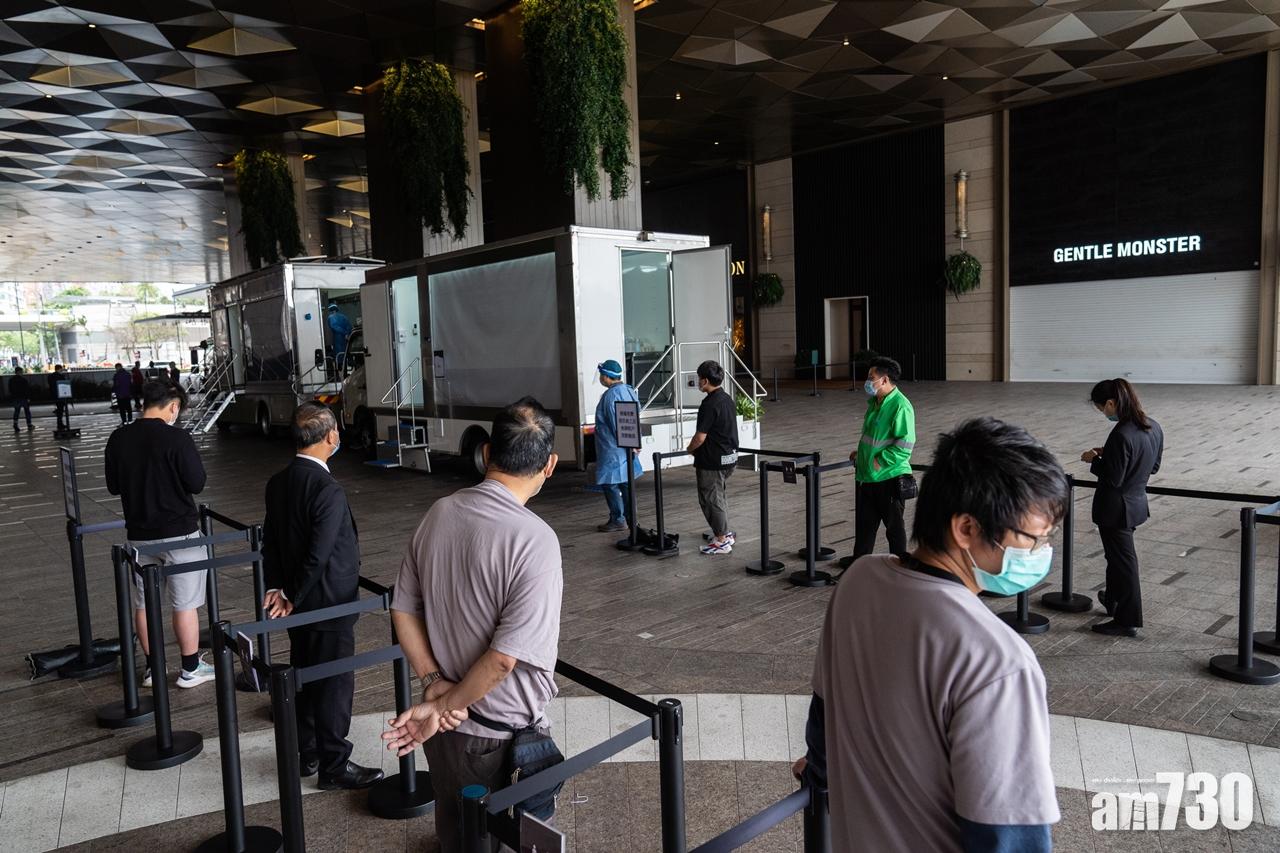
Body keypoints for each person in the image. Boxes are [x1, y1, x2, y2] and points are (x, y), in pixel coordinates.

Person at [795, 417, 1066, 852]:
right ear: (967, 529)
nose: (1040, 554)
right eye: (1032, 540)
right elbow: (1009, 836)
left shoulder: (859, 581)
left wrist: (817, 772)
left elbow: (823, 715)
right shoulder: (997, 660)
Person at [384, 397, 564, 851]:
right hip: (495, 739)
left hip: (444, 729)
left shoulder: (440, 512)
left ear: (486, 453)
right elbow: (503, 659)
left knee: (456, 833)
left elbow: (403, 609)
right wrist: (447, 703)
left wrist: (435, 686)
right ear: (549, 465)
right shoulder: (535, 540)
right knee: (497, 841)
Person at [262, 402, 384, 790]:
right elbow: (319, 553)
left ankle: (308, 752)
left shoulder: (278, 482)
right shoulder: (326, 489)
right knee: (334, 684)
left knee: (305, 676)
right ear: (331, 436)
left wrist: (278, 589)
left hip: (298, 606)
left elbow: (271, 543)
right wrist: (291, 593)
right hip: (330, 602)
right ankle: (335, 765)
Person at [104, 380, 214, 689]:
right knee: (185, 604)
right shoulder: (177, 438)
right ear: (173, 406)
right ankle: (190, 669)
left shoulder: (118, 438)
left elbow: (113, 486)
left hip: (139, 535)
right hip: (180, 533)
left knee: (144, 603)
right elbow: (197, 483)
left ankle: (153, 669)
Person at [1082, 378, 1163, 638]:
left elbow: (1113, 478)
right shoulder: (1153, 426)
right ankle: (1113, 600)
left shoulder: (1120, 433)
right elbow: (1153, 466)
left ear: (1111, 403)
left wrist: (1094, 460)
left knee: (1124, 563)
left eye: (1101, 408)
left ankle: (1127, 620)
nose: (1102, 413)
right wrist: (1111, 453)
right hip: (1136, 504)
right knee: (1116, 558)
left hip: (1115, 509)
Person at [837, 356, 915, 571]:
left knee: (894, 529)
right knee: (864, 528)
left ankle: (900, 569)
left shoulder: (901, 406)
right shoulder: (875, 403)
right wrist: (861, 454)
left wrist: (879, 461)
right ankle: (858, 569)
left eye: (871, 377)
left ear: (885, 380)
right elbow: (873, 439)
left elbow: (905, 446)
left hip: (889, 478)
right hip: (868, 476)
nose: (868, 381)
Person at [688, 360, 738, 555]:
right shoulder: (727, 398)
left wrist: (690, 449)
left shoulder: (709, 404)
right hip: (729, 458)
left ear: (705, 380)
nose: (698, 381)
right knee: (719, 496)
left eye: (699, 378)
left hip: (712, 460)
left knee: (710, 499)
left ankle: (721, 540)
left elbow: (700, 437)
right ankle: (724, 532)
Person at [592, 359, 642, 532]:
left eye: (601, 375)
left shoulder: (610, 396)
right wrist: (634, 443)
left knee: (610, 483)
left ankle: (618, 519)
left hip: (612, 448)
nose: (600, 378)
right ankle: (631, 519)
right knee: (626, 483)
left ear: (606, 377)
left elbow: (616, 424)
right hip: (626, 446)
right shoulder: (629, 390)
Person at [9, 366, 32, 432]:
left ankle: (15, 424)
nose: (22, 373)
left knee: (17, 411)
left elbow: (10, 389)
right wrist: (28, 398)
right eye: (22, 372)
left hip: (15, 398)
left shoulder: (11, 380)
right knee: (27, 411)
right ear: (19, 372)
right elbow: (27, 389)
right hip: (23, 398)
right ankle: (29, 424)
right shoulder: (23, 380)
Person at [50, 364, 70, 431]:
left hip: (55, 396)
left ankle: (60, 424)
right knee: (60, 410)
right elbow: (64, 384)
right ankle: (60, 424)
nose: (62, 370)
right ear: (59, 369)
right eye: (61, 369)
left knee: (59, 410)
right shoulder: (60, 376)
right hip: (61, 395)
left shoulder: (50, 376)